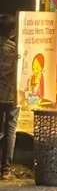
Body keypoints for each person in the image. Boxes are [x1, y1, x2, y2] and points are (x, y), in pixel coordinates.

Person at [0, 14, 20, 181]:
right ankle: (6, 169)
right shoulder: (15, 51)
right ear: (13, 31)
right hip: (11, 95)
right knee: (10, 130)